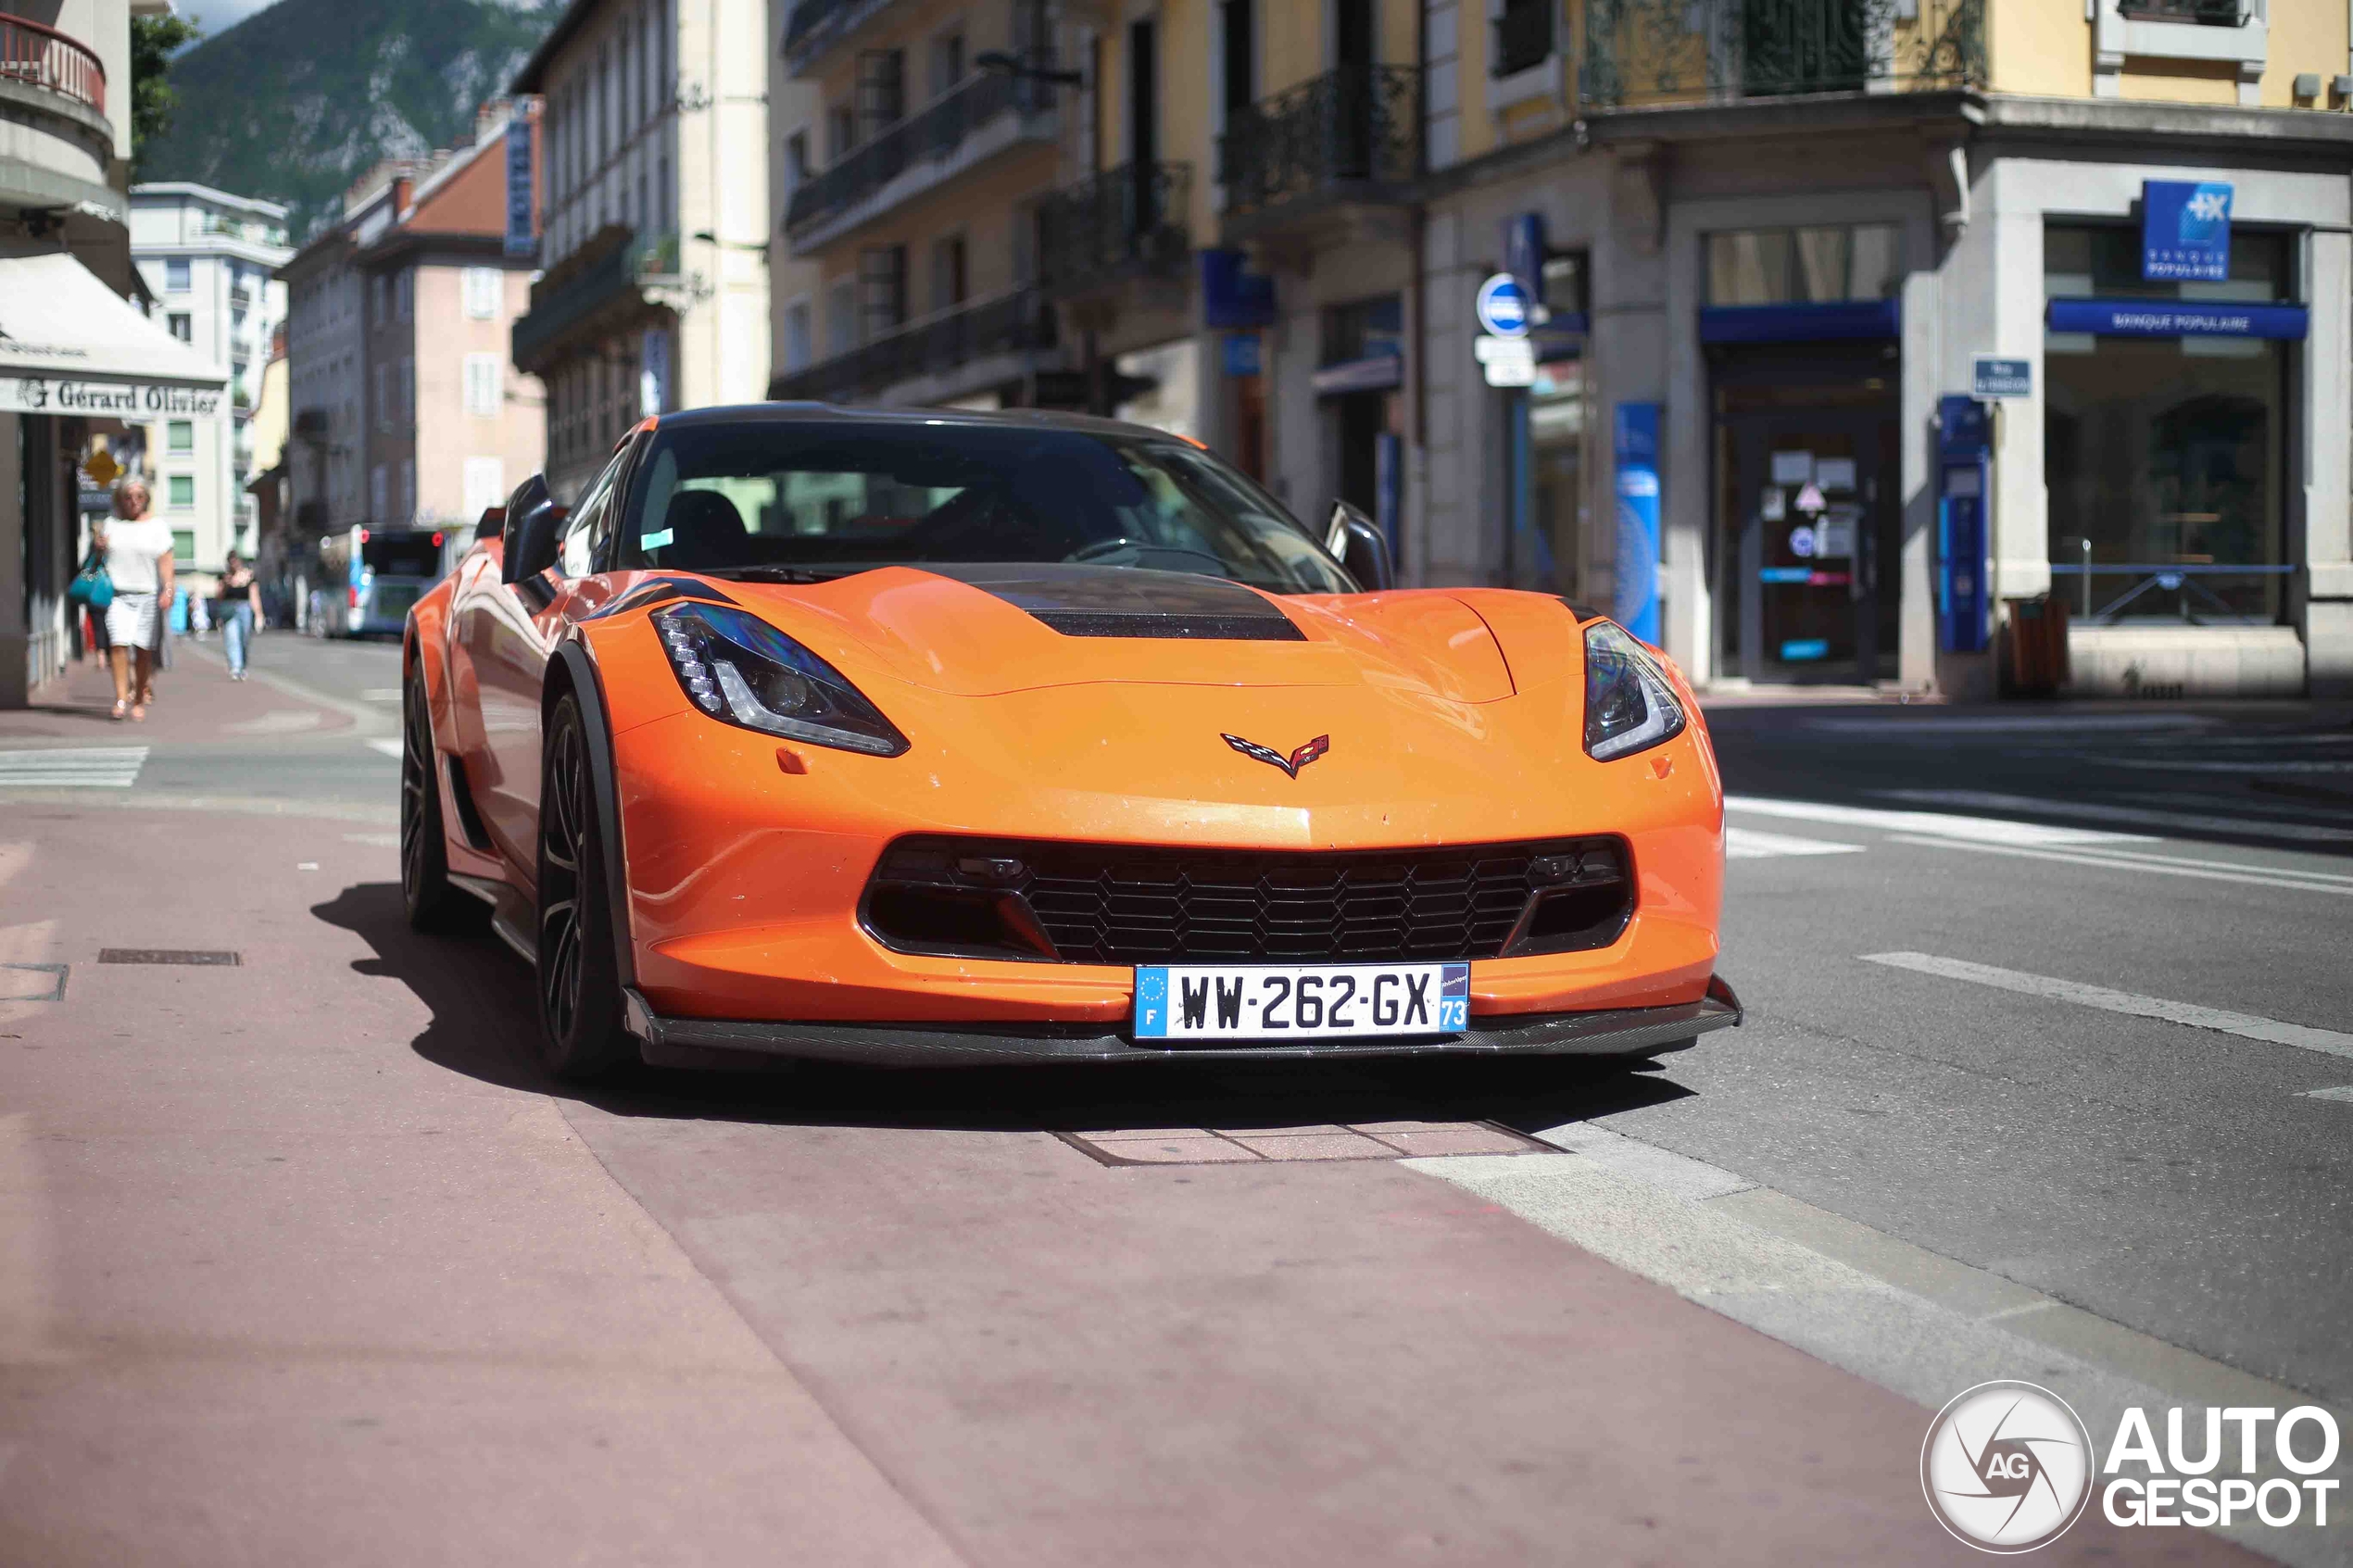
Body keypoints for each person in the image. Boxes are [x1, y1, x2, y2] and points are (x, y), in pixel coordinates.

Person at [96, 480, 175, 721]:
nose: (134, 501)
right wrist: (98, 546)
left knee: (143, 650)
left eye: (139, 496)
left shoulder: (157, 526)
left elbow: (165, 561)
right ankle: (121, 699)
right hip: (118, 595)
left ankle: (139, 697)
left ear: (146, 498)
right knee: (118, 645)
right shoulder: (111, 524)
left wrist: (168, 589)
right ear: (120, 498)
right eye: (129, 496)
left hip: (147, 595)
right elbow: (99, 557)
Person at [214, 549, 261, 680]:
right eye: (231, 561)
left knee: (244, 639)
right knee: (232, 637)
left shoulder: (248, 576)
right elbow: (218, 596)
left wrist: (259, 614)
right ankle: (235, 667)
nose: (233, 563)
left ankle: (242, 666)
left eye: (236, 560)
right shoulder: (224, 576)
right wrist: (225, 585)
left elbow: (254, 596)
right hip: (229, 608)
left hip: (245, 608)